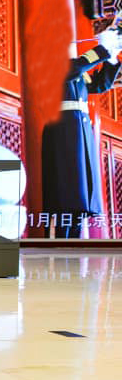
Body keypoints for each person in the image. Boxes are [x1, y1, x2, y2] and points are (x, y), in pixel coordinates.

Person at [42, 29, 122, 238]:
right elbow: (73, 68)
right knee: (65, 192)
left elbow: (100, 84)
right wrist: (102, 50)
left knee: (80, 194)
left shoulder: (77, 69)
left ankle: (74, 239)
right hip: (64, 131)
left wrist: (111, 57)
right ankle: (60, 242)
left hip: (79, 131)